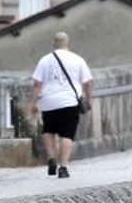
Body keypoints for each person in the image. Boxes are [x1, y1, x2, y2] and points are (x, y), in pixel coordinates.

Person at [29, 32, 93, 179]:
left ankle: (51, 158)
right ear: (67, 43)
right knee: (67, 134)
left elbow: (37, 84)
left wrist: (32, 103)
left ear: (54, 43)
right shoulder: (77, 59)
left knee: (48, 130)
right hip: (70, 101)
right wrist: (89, 100)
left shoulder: (45, 60)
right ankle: (63, 168)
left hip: (49, 101)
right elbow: (87, 83)